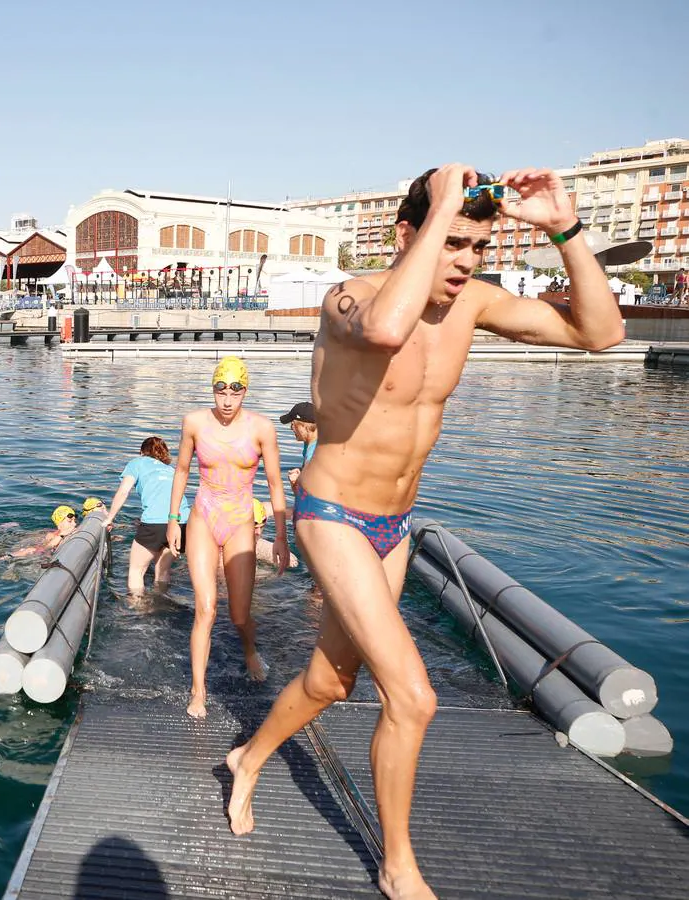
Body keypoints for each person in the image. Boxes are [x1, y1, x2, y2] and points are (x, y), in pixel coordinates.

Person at [223, 165, 622, 900]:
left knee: (330, 681)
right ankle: (399, 867)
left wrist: (565, 228)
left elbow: (601, 334)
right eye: (451, 243)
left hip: (393, 525)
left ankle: (247, 759)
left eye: (477, 246)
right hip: (332, 513)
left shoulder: (474, 303)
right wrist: (436, 214)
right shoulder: (349, 296)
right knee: (413, 696)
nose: (465, 261)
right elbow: (383, 330)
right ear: (409, 233)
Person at [168, 356, 289, 714]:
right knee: (205, 609)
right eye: (220, 391)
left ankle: (250, 650)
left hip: (239, 520)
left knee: (238, 615)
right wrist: (173, 519)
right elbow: (181, 470)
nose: (226, 400)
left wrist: (280, 536)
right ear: (213, 390)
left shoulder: (262, 428)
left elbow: (275, 482)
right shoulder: (194, 423)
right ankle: (198, 691)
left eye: (234, 392)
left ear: (244, 392)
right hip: (204, 515)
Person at [102, 436, 192, 594]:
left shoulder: (136, 463)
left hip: (155, 523)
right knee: (162, 572)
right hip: (182, 522)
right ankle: (161, 602)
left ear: (142, 452)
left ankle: (137, 609)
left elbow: (124, 491)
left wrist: (110, 518)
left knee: (136, 571)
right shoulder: (171, 470)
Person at [279, 401, 318, 488]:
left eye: (292, 424)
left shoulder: (314, 453)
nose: (290, 428)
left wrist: (295, 483)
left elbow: (309, 494)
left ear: (304, 427)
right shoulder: (310, 443)